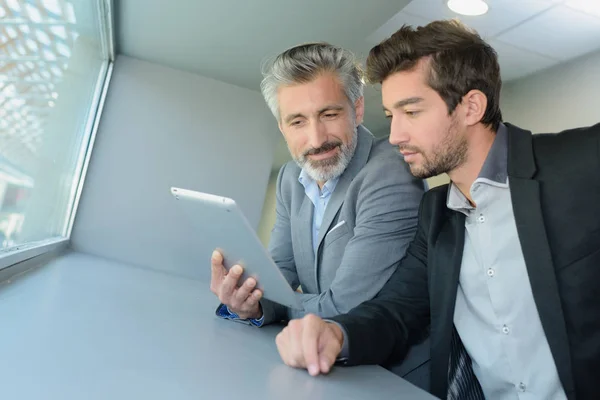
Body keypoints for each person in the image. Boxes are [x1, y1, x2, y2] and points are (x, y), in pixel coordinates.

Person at [274, 20, 600, 400]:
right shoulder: (436, 212)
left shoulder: (581, 161)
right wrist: (337, 334)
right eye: (392, 116)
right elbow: (398, 309)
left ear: (471, 107)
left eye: (411, 112)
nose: (395, 136)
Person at [209, 42, 425, 328]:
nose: (316, 139)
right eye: (298, 121)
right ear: (282, 128)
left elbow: (346, 305)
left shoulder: (391, 171)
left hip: (386, 368)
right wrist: (246, 299)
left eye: (329, 115)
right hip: (316, 356)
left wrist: (265, 303)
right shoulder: (290, 178)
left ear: (357, 110)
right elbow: (280, 270)